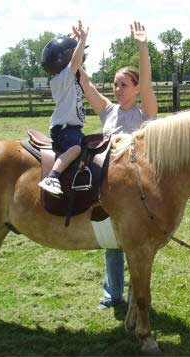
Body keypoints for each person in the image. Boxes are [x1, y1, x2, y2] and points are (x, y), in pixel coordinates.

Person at [79, 21, 158, 310]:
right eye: (114, 84)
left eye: (123, 84)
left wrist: (142, 47)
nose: (117, 88)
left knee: (136, 247)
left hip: (138, 192)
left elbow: (148, 82)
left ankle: (139, 296)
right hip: (109, 188)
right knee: (112, 245)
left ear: (136, 88)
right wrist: (77, 50)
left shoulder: (145, 112)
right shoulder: (108, 112)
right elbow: (85, 85)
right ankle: (112, 295)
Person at [38, 20, 89, 197]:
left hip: (72, 128)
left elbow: (75, 64)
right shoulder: (63, 79)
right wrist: (82, 40)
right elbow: (75, 62)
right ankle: (53, 177)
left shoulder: (67, 78)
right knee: (75, 150)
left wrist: (71, 41)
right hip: (65, 130)